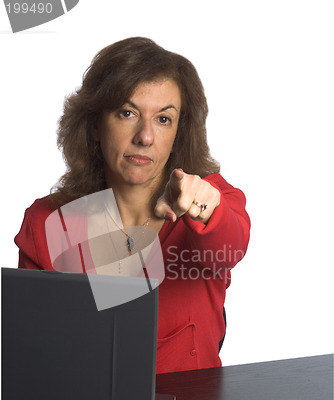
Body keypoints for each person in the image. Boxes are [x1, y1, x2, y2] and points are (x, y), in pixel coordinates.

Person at [14, 37, 251, 374]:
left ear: (178, 134)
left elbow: (230, 245)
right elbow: (33, 351)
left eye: (163, 120)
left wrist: (204, 207)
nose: (145, 136)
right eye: (127, 113)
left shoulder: (209, 198)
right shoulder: (47, 222)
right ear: (96, 125)